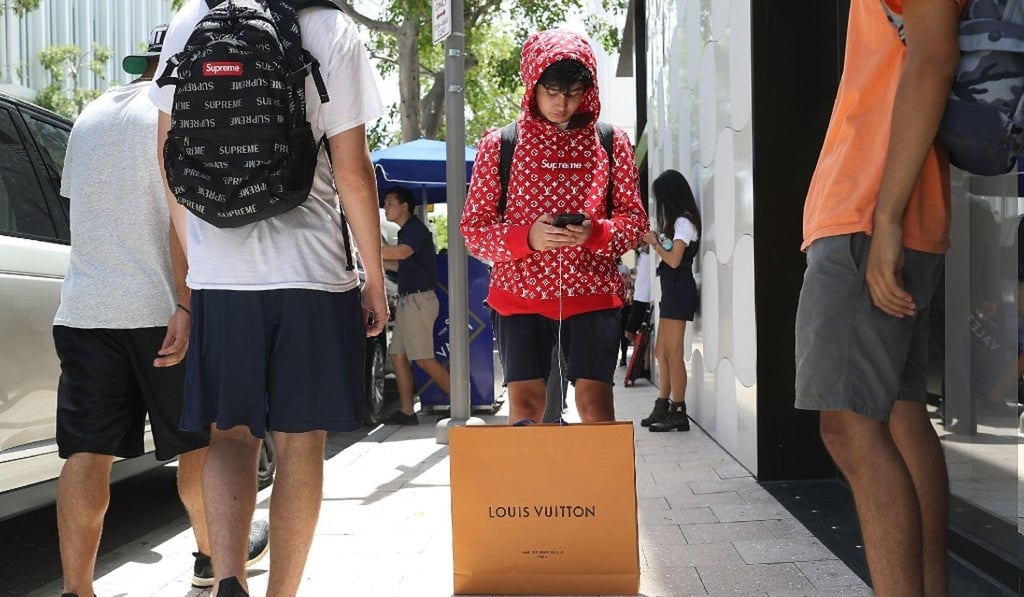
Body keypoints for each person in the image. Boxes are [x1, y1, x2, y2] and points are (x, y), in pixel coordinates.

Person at [152, 3, 388, 596]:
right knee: (301, 442)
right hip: (311, 270)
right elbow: (352, 168)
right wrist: (373, 276)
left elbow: (167, 157)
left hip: (221, 275)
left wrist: (198, 262)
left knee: (229, 434)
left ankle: (230, 581)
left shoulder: (192, 18)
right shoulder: (328, 26)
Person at [52, 25, 268, 597]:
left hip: (84, 309)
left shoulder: (91, 113)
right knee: (198, 443)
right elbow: (185, 215)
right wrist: (187, 300)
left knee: (86, 451)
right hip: (163, 309)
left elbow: (86, 207)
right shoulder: (180, 114)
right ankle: (209, 558)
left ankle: (77, 588)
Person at [793, 2, 962, 595]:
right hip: (886, 206)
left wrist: (885, 217)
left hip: (870, 209)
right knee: (900, 414)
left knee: (849, 426)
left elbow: (935, 56)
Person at [460, 29, 647, 425]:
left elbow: (635, 223)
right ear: (533, 84)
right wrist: (527, 237)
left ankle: (598, 472)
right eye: (552, 91)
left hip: (593, 293)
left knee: (595, 407)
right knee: (526, 409)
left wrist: (596, 233)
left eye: (575, 92)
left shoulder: (611, 141)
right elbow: (474, 232)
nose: (562, 104)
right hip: (519, 294)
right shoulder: (500, 144)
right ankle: (530, 473)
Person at [381, 186, 450, 425]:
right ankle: (407, 411)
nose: (385, 207)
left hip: (418, 301)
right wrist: (374, 260)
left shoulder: (415, 230)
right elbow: (402, 266)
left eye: (390, 203)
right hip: (408, 300)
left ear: (404, 207)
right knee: (397, 355)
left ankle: (462, 405)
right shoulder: (406, 231)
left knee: (423, 359)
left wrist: (366, 248)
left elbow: (402, 253)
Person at [641, 170, 700, 432]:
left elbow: (674, 260)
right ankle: (662, 404)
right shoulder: (679, 223)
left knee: (674, 353)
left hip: (679, 290)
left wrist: (655, 244)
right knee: (661, 352)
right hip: (672, 291)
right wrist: (658, 241)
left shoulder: (684, 222)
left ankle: (678, 410)